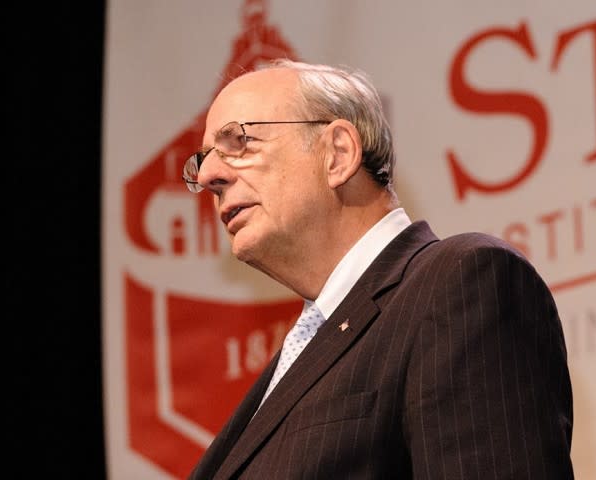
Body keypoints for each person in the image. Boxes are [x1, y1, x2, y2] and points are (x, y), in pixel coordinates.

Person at [183, 58, 574, 480]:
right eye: (204, 159)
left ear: (338, 154)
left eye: (238, 142)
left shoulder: (461, 284)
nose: (208, 175)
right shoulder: (305, 351)